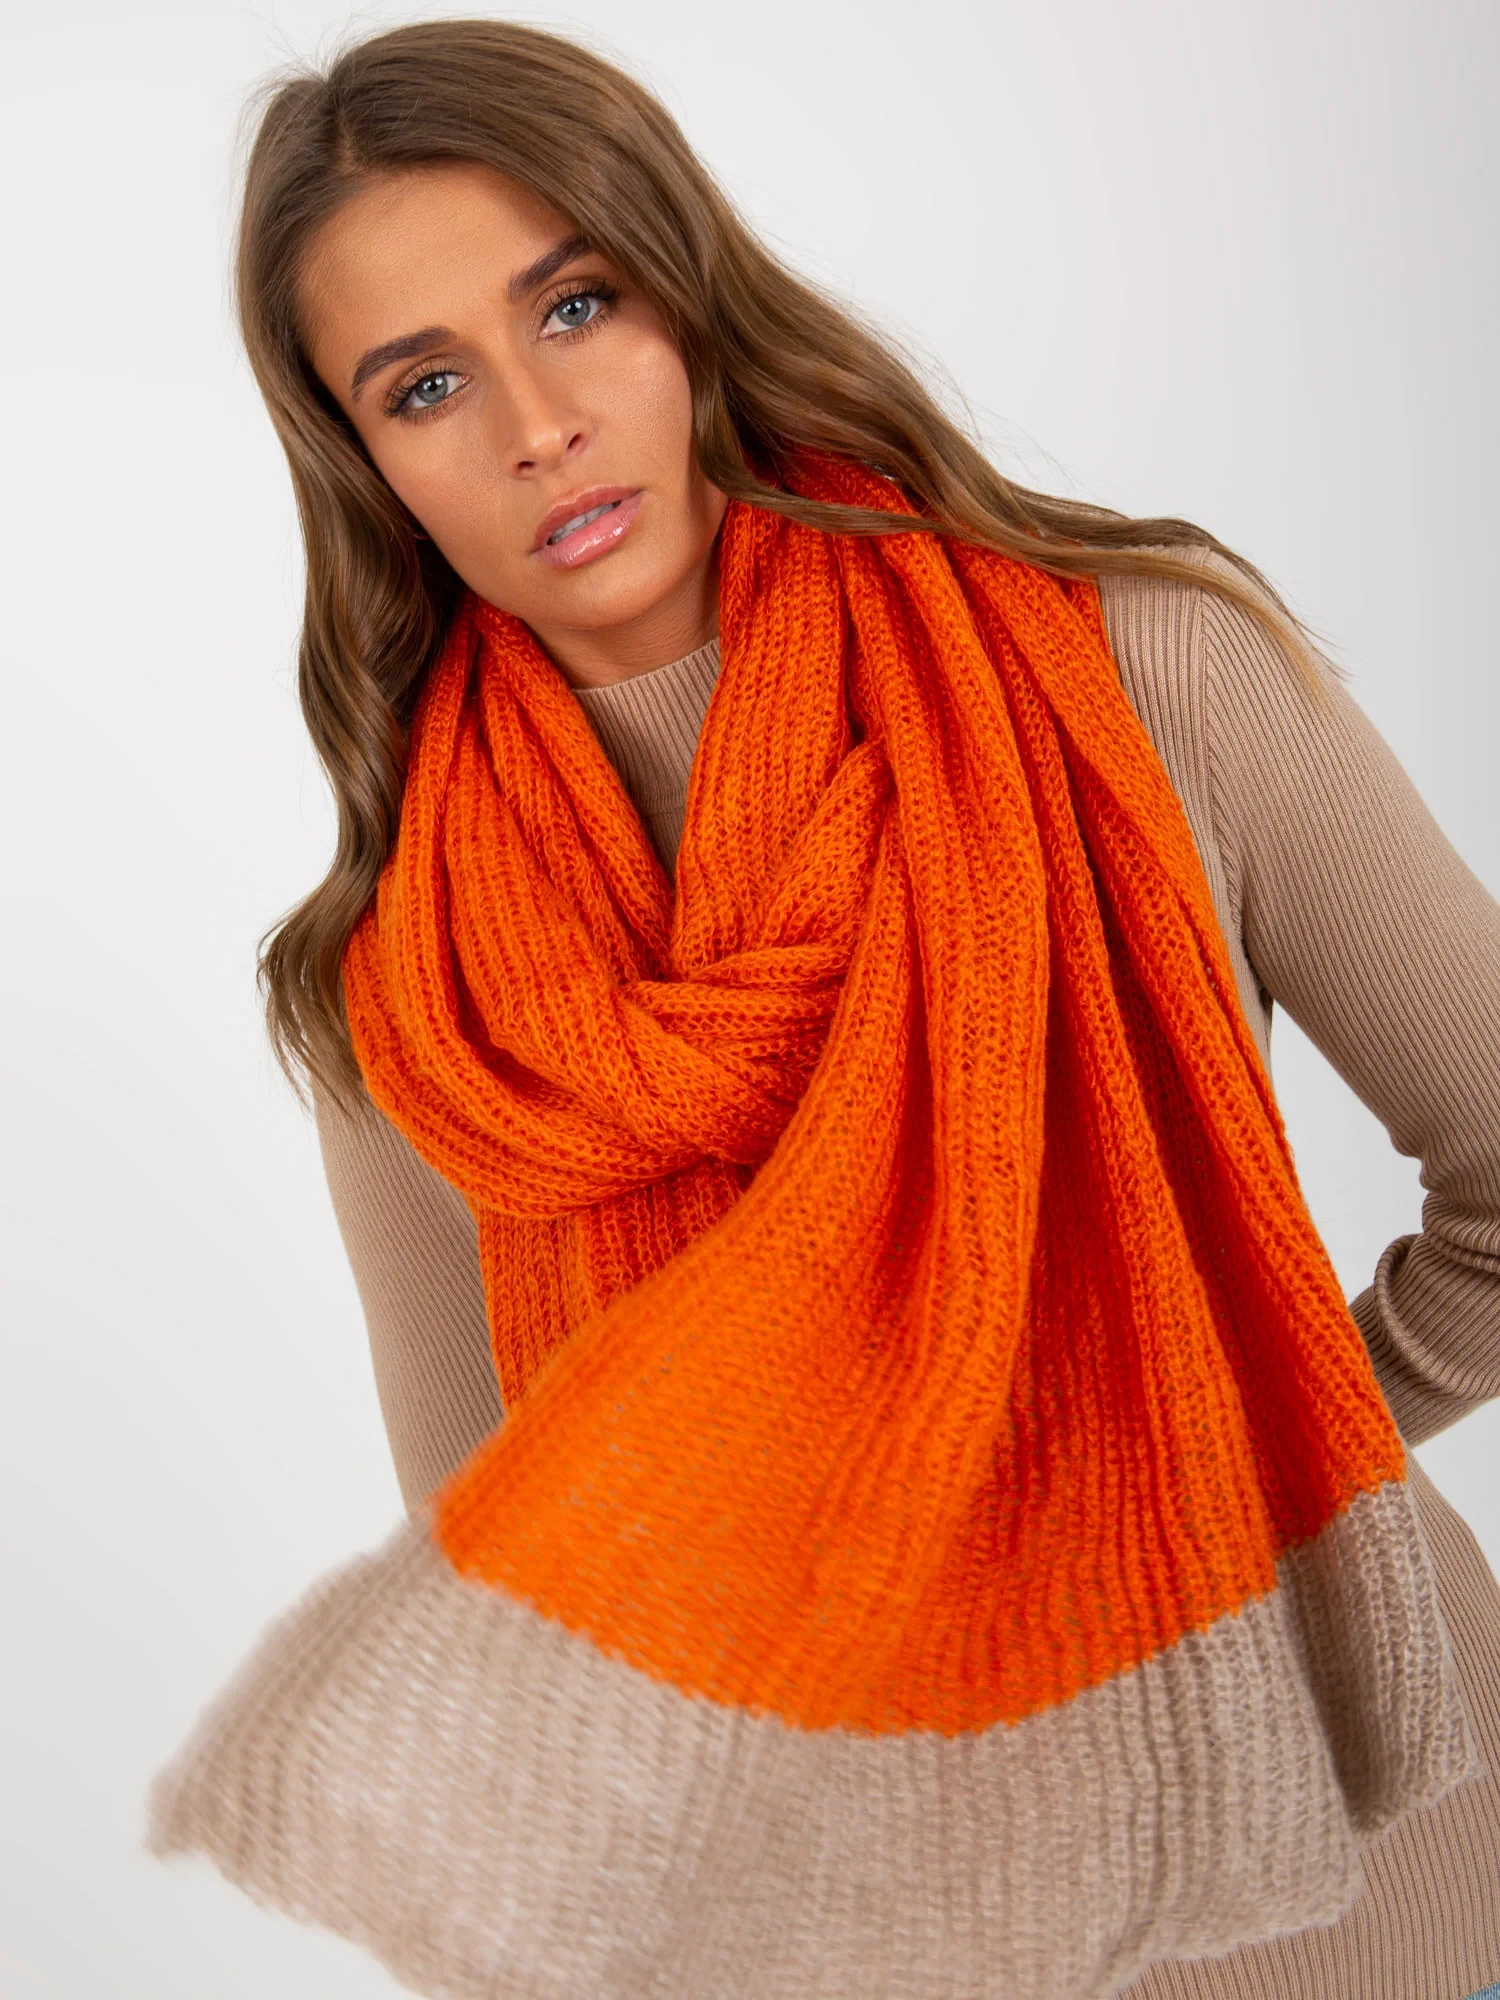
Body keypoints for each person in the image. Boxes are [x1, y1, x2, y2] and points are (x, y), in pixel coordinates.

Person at [148, 19, 1500, 1999]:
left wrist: (1226, 1457)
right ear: (371, 469)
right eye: (426, 384)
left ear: (689, 294)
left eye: (577, 305)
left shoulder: (1147, 675)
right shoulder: (409, 997)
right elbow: (544, 1613)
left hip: (1363, 1887)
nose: (537, 421)